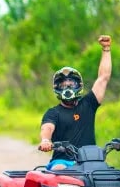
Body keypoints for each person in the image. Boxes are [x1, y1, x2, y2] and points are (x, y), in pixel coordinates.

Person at [39, 35, 112, 170]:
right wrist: (45, 140)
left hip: (89, 161)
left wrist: (106, 49)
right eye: (63, 84)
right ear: (57, 88)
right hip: (62, 162)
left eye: (71, 83)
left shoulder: (89, 104)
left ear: (79, 85)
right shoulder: (53, 113)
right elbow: (47, 128)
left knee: (106, 173)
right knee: (58, 169)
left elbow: (103, 77)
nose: (67, 87)